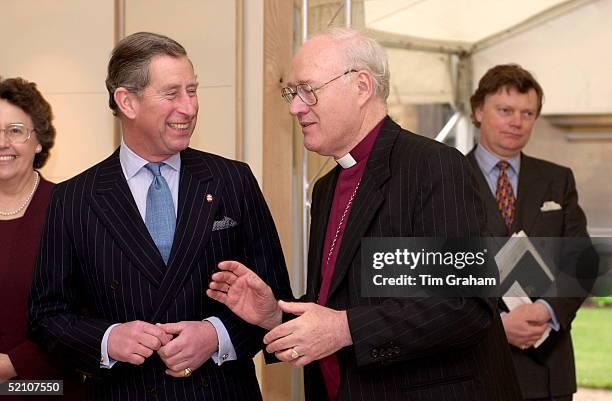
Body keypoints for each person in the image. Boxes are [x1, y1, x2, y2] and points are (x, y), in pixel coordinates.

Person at [208, 28, 522, 401]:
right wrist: (273, 316)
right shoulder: (327, 188)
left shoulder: (432, 166)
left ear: (361, 86)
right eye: (293, 93)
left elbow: (464, 305)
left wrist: (343, 328)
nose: (295, 107)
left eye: (308, 90)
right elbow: (345, 307)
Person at [28, 32, 292, 401]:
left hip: (220, 390)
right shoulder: (73, 199)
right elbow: (47, 317)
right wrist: (108, 340)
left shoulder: (234, 181)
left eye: (193, 90)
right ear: (127, 102)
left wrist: (216, 335)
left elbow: (276, 300)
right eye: (172, 94)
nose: (189, 107)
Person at [466, 64, 588, 401]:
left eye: (527, 113)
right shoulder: (447, 178)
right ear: (478, 111)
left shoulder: (558, 180)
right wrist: (493, 329)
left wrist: (545, 310)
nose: (516, 121)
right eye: (505, 110)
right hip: (475, 370)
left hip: (548, 370)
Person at [0, 77, 83, 399]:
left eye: (15, 130)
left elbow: (85, 311)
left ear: (38, 140)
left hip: (48, 388)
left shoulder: (70, 208)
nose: (3, 142)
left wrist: (10, 366)